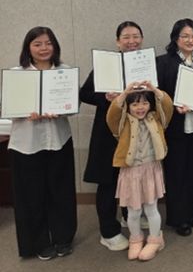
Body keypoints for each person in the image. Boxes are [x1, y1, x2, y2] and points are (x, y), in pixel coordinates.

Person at [8, 27, 77, 259]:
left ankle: (63, 238)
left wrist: (62, 110)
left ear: (55, 46)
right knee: (31, 197)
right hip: (26, 144)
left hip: (59, 141)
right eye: (37, 44)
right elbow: (8, 108)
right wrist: (25, 112)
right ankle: (37, 243)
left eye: (48, 43)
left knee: (61, 192)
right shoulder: (17, 74)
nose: (44, 48)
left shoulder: (64, 71)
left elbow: (72, 107)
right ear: (28, 48)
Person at [80, 21, 143, 252]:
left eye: (136, 36)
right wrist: (104, 97)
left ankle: (128, 216)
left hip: (136, 131)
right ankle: (108, 232)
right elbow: (84, 93)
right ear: (118, 42)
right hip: (108, 132)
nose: (131, 41)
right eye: (126, 37)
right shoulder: (106, 64)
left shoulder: (145, 64)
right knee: (108, 181)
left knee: (131, 178)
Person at [156, 19, 193, 236]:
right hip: (176, 127)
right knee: (176, 173)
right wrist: (173, 106)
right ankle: (178, 218)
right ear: (175, 39)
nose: (190, 40)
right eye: (185, 36)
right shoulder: (164, 62)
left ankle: (191, 213)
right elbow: (158, 96)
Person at [106, 81, 173, 261]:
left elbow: (167, 107)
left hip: (151, 169)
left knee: (151, 208)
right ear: (128, 106)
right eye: (135, 104)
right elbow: (112, 116)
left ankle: (155, 240)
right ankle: (135, 239)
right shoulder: (123, 122)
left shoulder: (156, 119)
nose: (140, 107)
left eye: (144, 103)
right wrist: (125, 93)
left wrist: (154, 89)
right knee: (133, 211)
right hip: (131, 172)